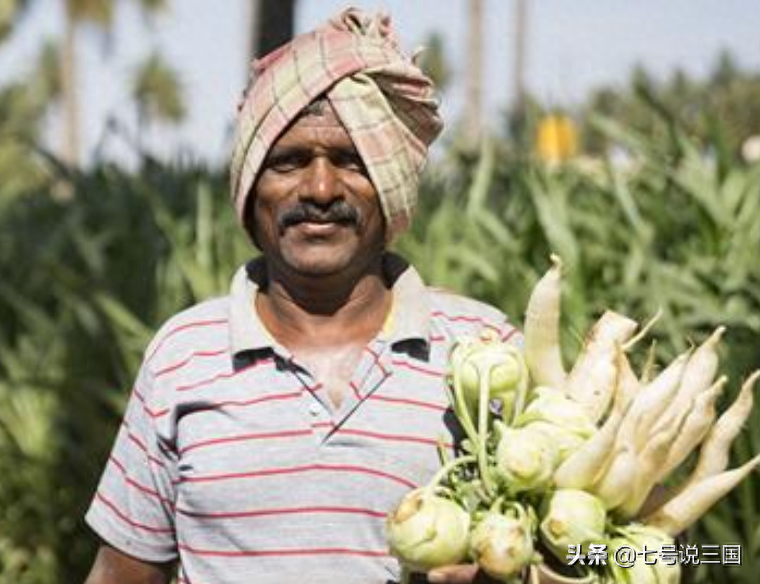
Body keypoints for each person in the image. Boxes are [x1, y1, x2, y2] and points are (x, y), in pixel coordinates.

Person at [83, 8, 522, 584]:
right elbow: (122, 572)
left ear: (390, 185)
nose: (320, 189)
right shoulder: (183, 356)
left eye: (351, 161)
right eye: (288, 162)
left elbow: (606, 555)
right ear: (251, 189)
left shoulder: (485, 354)